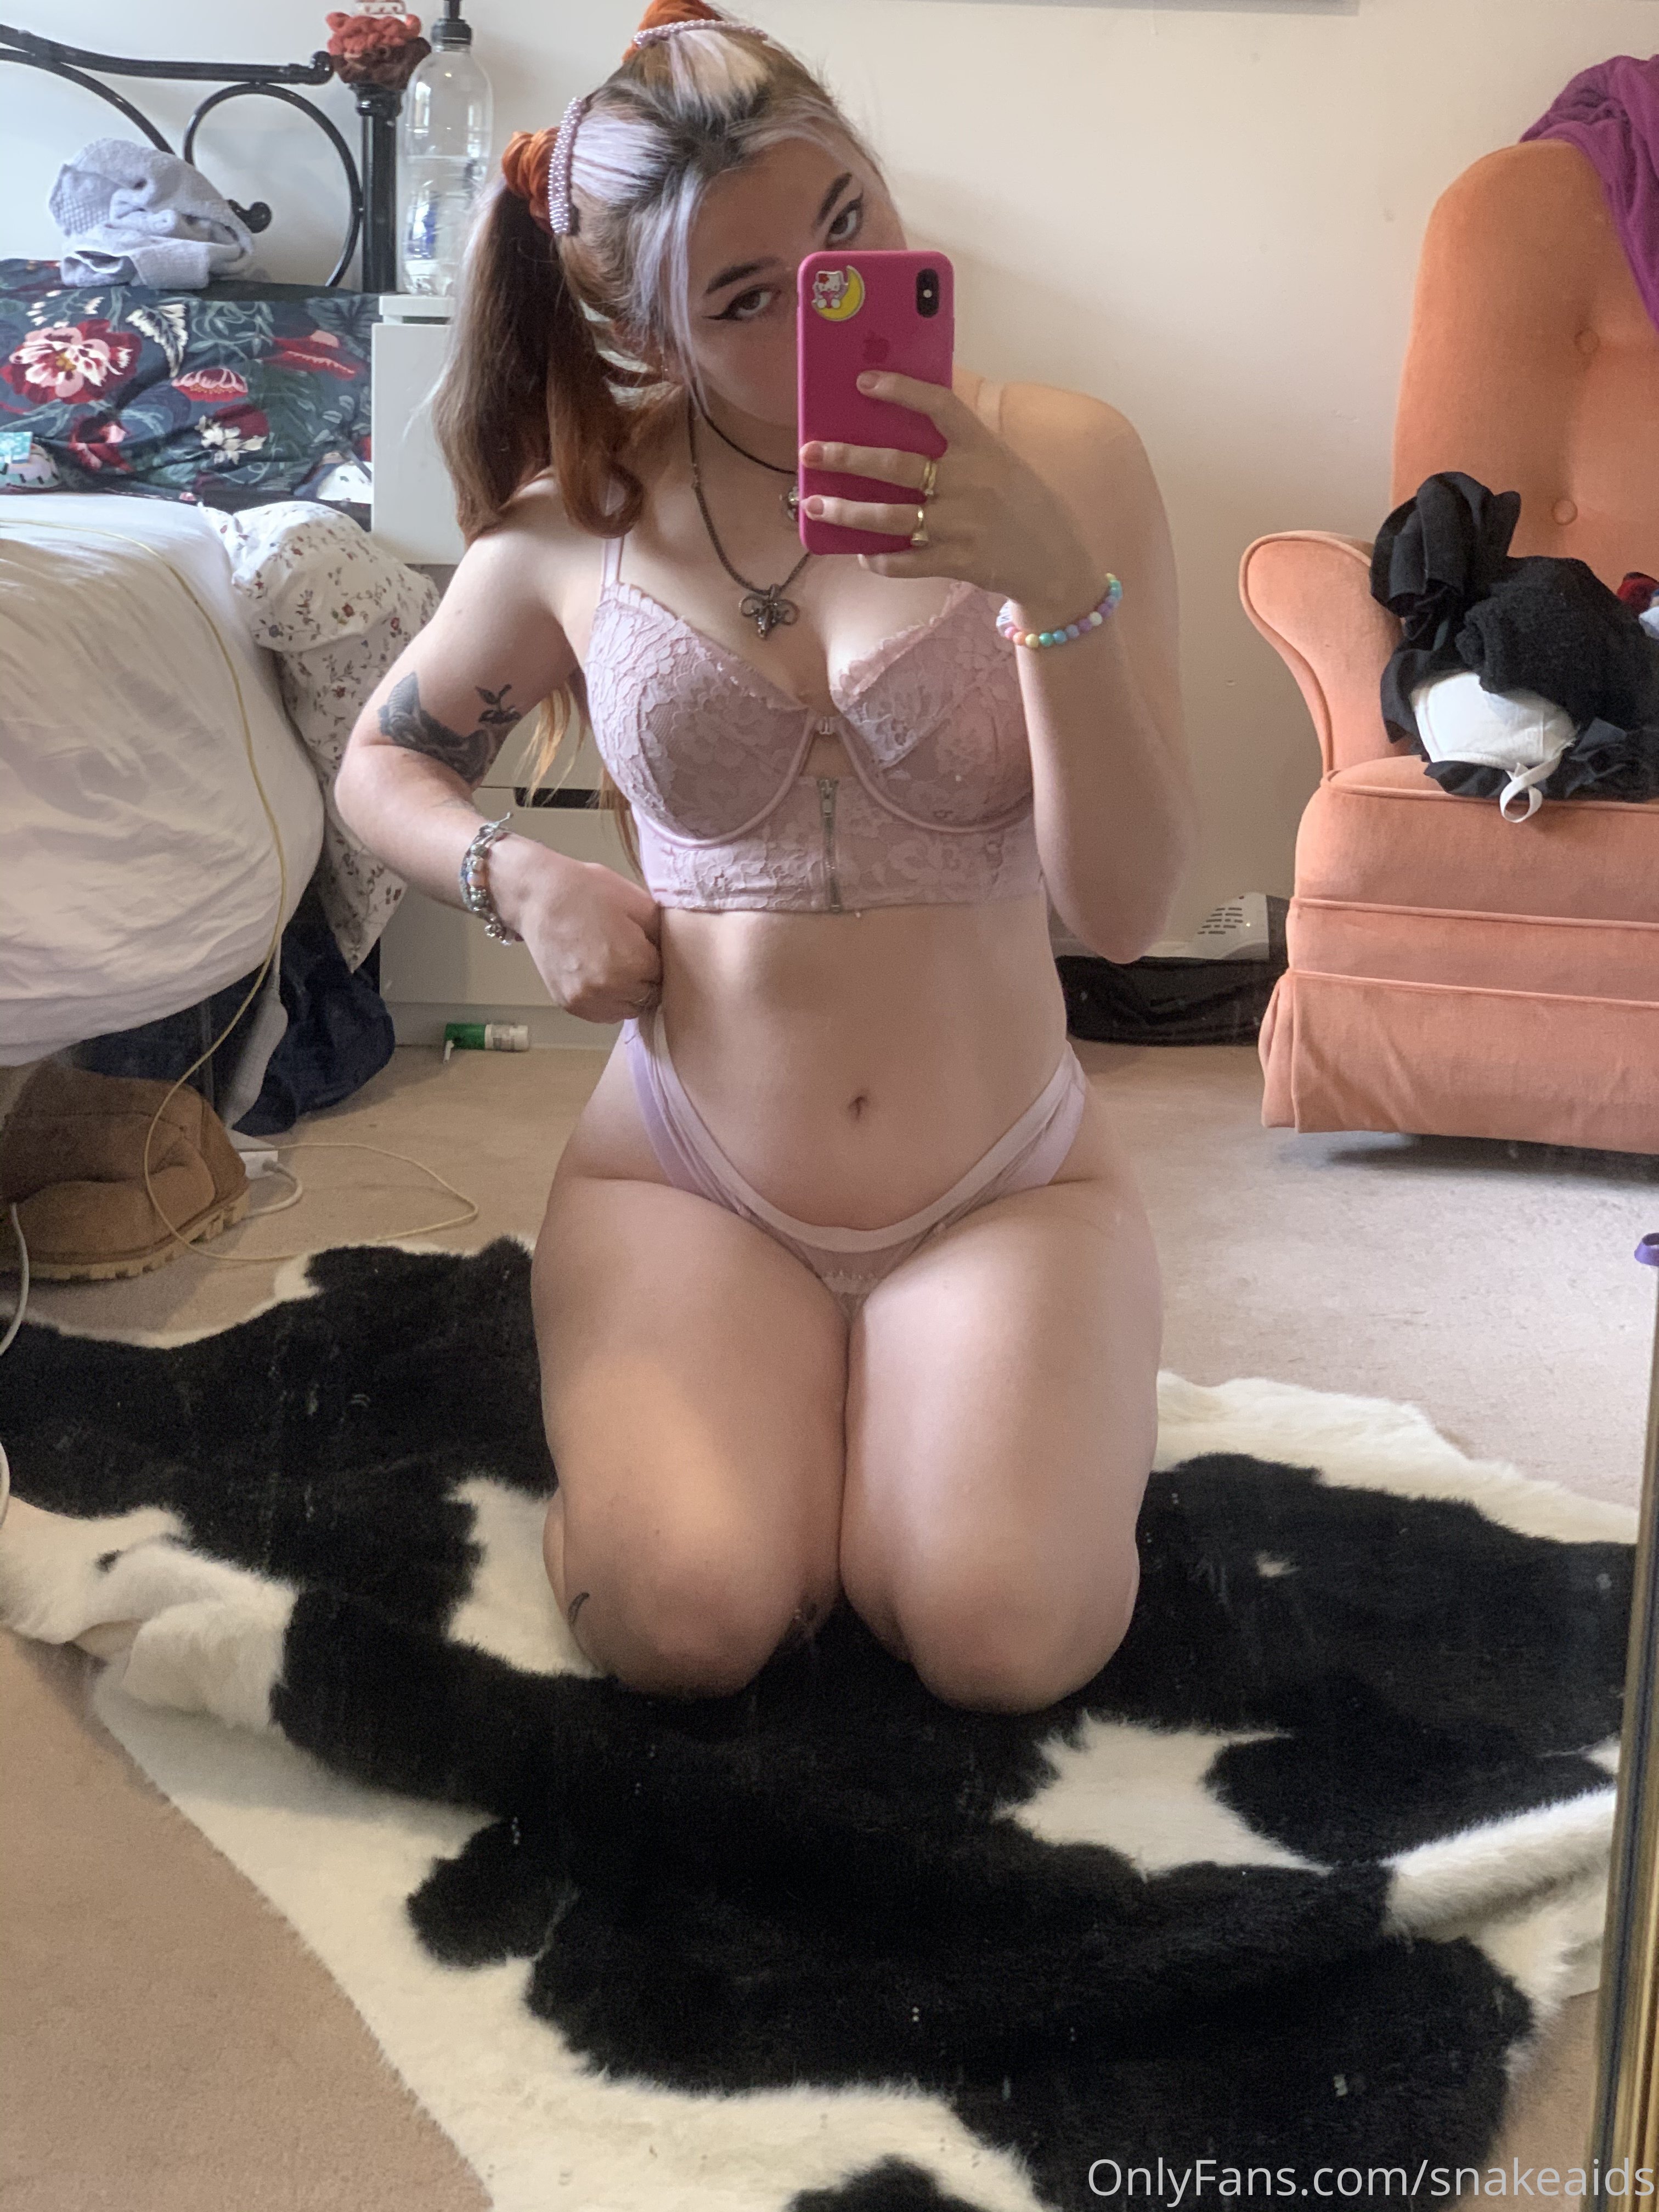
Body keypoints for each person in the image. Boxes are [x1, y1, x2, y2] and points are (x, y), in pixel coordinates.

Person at [334, 0, 1194, 1712]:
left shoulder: (1071, 462)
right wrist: (520, 877)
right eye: (744, 296)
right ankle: (776, 1431)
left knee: (1003, 1634)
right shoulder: (577, 529)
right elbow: (383, 761)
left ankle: (916, 1421)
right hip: (687, 1177)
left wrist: (1051, 584)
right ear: (646, 329)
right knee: (685, 1622)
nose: (828, 302)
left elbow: (1122, 912)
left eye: (848, 228)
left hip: (1006, 1182)